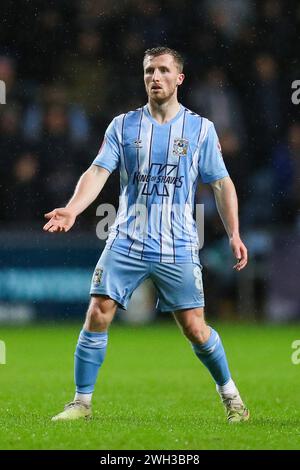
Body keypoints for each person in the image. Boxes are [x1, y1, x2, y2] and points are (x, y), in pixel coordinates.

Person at [44, 46, 249, 423]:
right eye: (149, 71)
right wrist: (73, 209)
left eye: (164, 71)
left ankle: (232, 398)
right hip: (127, 238)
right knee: (98, 311)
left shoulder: (201, 129)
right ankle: (80, 403)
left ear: (179, 78)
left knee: (195, 328)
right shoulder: (122, 126)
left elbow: (222, 184)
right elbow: (98, 172)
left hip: (178, 243)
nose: (155, 77)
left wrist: (234, 232)